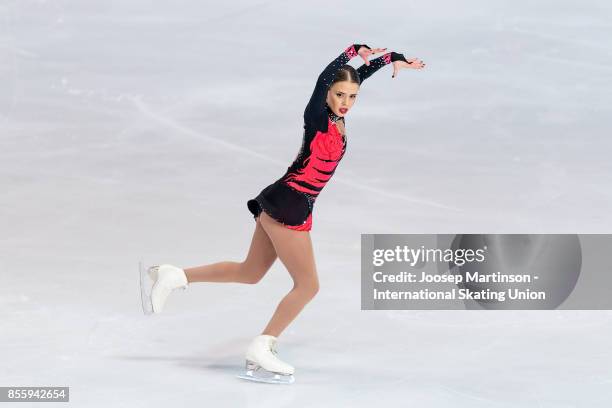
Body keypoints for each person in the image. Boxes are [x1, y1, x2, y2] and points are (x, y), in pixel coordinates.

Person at [140, 43, 425, 384]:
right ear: (327, 94)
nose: (345, 102)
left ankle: (175, 275)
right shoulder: (318, 117)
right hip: (291, 204)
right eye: (339, 95)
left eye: (352, 97)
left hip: (283, 199)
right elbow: (325, 77)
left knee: (250, 272)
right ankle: (264, 345)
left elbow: (358, 76)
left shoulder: (337, 115)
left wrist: (392, 59)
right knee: (308, 286)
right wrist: (353, 49)